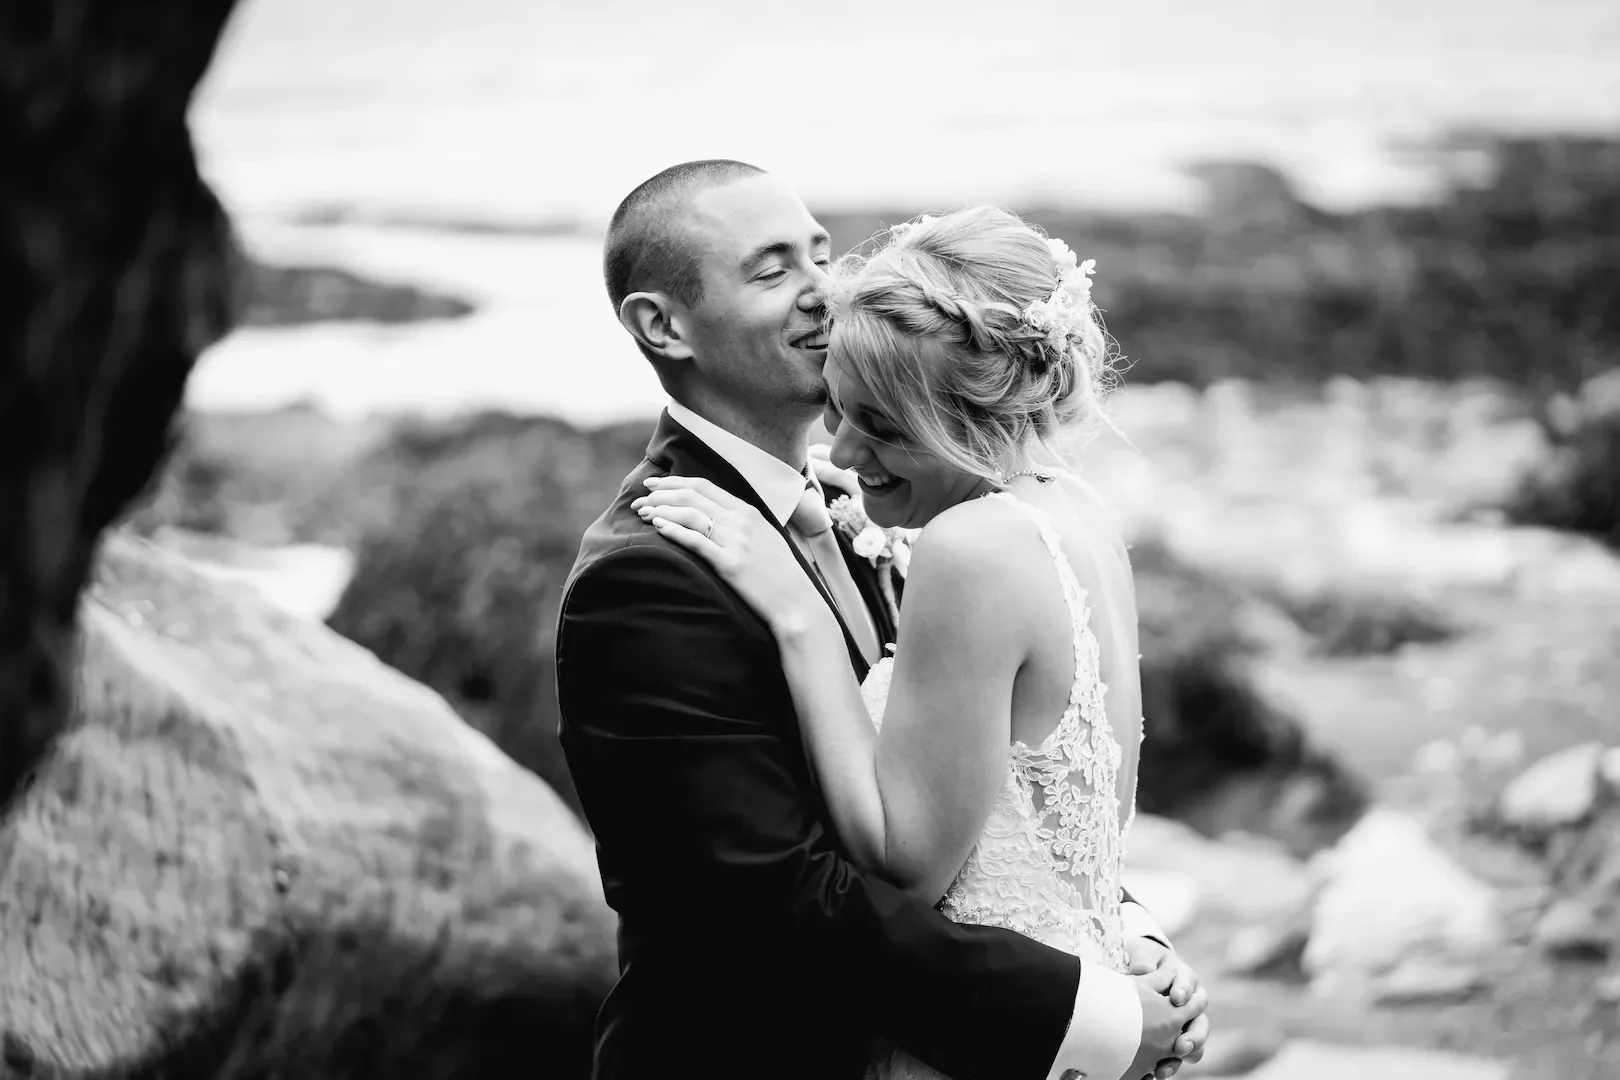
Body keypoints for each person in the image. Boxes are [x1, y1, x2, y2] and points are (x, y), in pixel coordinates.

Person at [557, 160, 1208, 1080]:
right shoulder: (650, 578)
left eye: (821, 254)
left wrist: (1119, 930)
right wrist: (1093, 1013)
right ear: (663, 325)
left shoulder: (894, 514)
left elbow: (981, 785)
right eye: (772, 269)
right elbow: (778, 904)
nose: (825, 292)